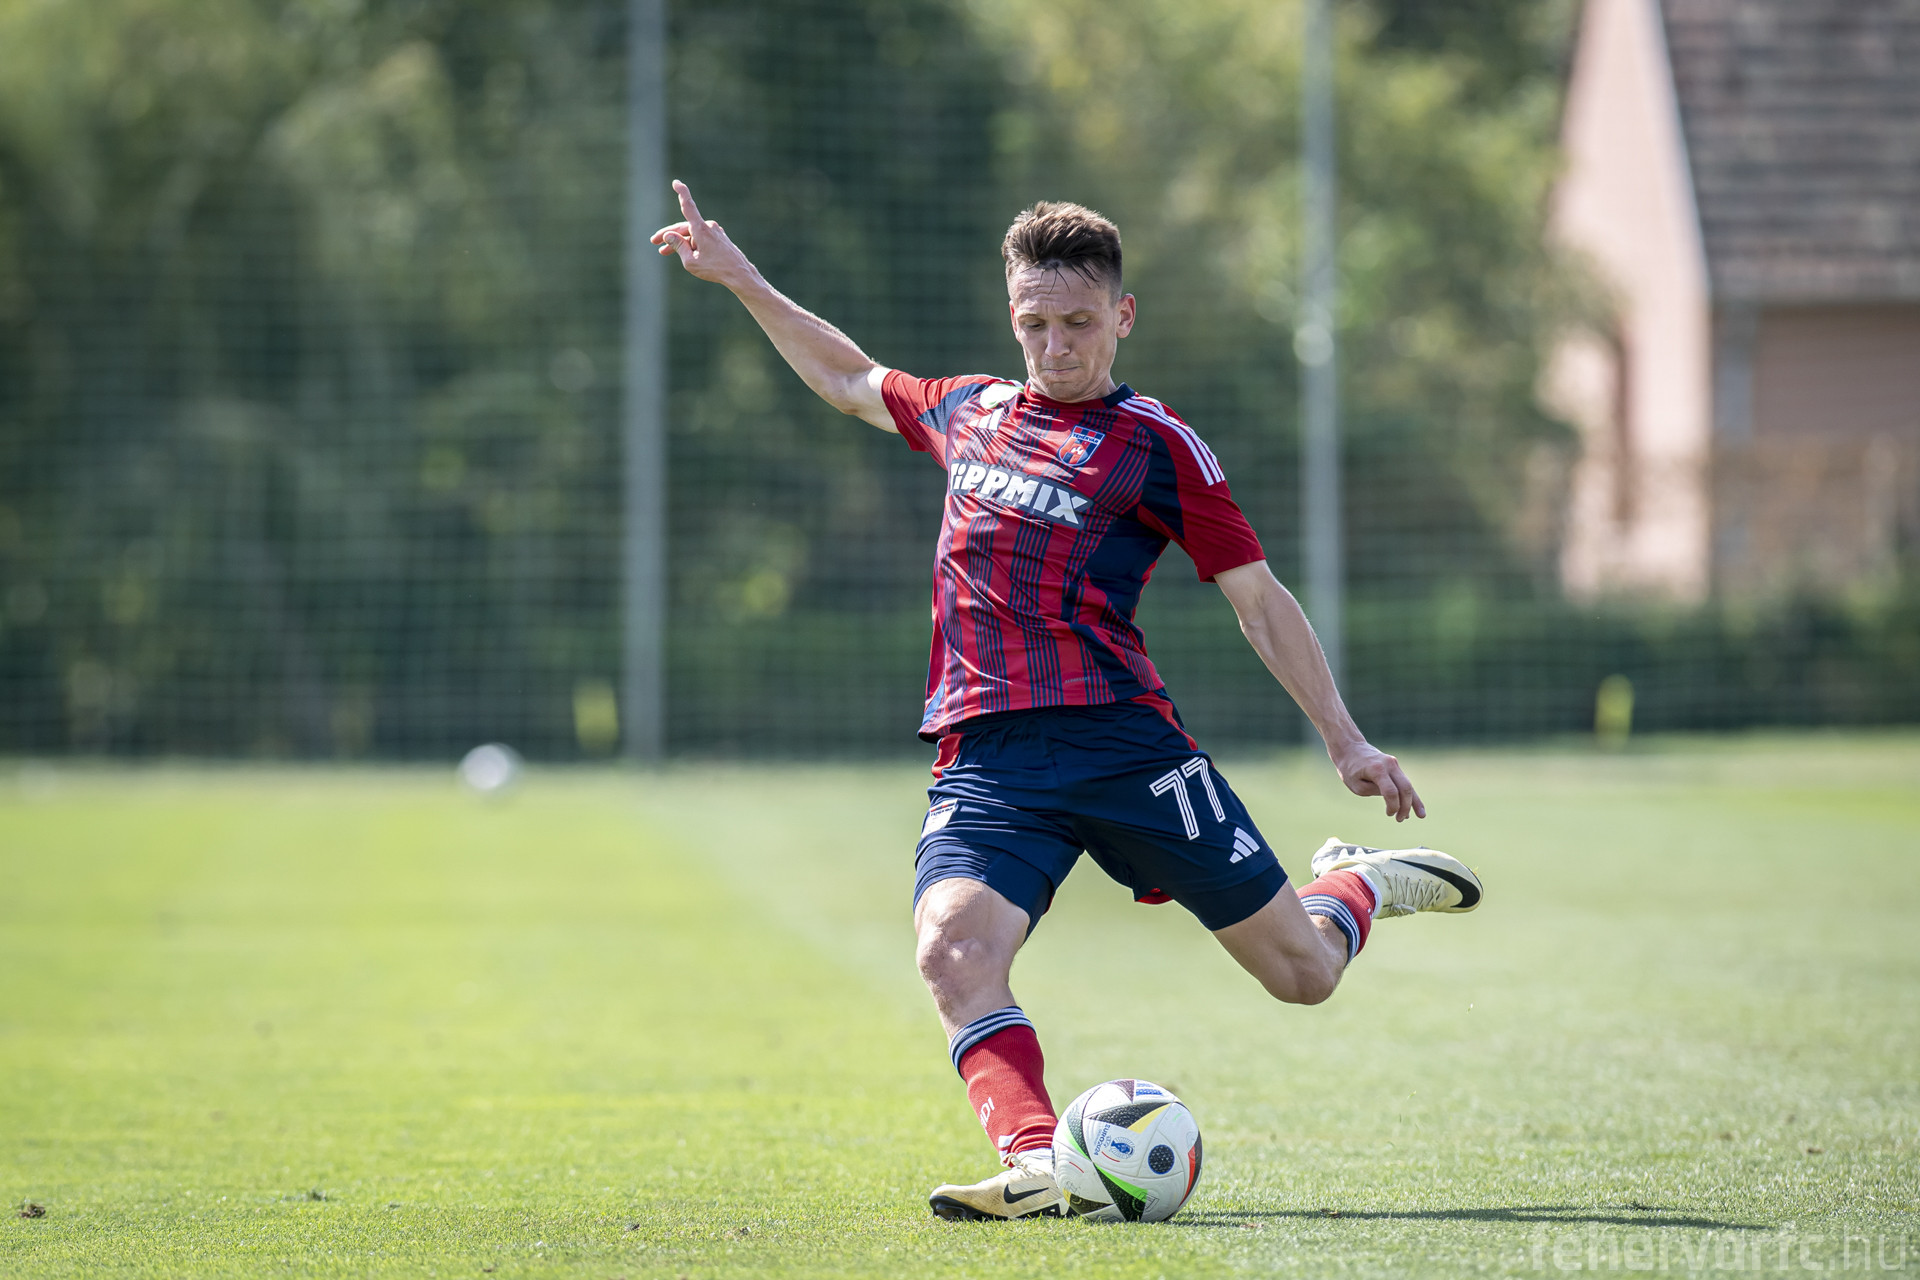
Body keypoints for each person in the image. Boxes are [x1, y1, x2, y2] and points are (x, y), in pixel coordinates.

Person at [652, 181, 1482, 1220]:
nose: (1056, 345)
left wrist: (1346, 740)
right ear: (1012, 316)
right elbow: (848, 376)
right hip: (990, 761)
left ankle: (1353, 886)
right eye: (1035, 323)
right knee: (952, 948)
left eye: (1080, 323)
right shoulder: (968, 411)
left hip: (1128, 750)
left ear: (1122, 316)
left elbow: (1260, 602)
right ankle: (1042, 1161)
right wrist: (741, 278)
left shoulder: (1157, 445)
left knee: (1303, 973)